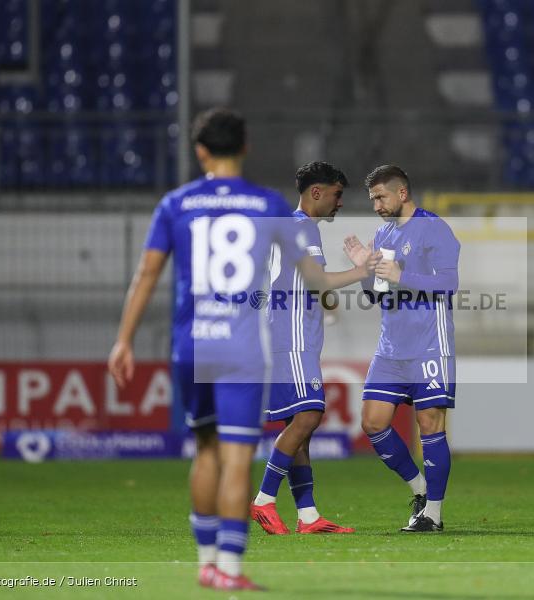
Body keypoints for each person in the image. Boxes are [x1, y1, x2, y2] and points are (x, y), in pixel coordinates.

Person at [107, 109, 370, 590]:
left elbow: (146, 274)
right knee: (239, 453)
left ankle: (207, 560)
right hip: (247, 344)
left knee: (205, 451)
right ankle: (231, 565)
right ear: (245, 147)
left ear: (200, 151)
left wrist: (124, 339)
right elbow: (311, 279)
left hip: (194, 344)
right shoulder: (266, 206)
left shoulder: (176, 203)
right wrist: (363, 268)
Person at [250, 161, 370, 535]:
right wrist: (365, 270)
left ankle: (308, 516)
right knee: (308, 417)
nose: (340, 203)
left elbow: (306, 283)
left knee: (299, 427)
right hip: (294, 339)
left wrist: (328, 303)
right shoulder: (303, 229)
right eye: (336, 194)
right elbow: (317, 280)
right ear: (316, 192)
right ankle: (263, 501)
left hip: (286, 335)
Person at [344, 164, 460, 532]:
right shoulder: (382, 233)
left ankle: (433, 516)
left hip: (429, 345)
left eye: (380, 197)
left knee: (430, 425)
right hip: (391, 347)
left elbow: (449, 283)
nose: (376, 205)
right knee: (373, 422)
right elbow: (378, 294)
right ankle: (421, 489)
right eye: (372, 199)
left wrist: (400, 276)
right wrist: (365, 270)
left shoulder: (434, 228)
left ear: (402, 193)